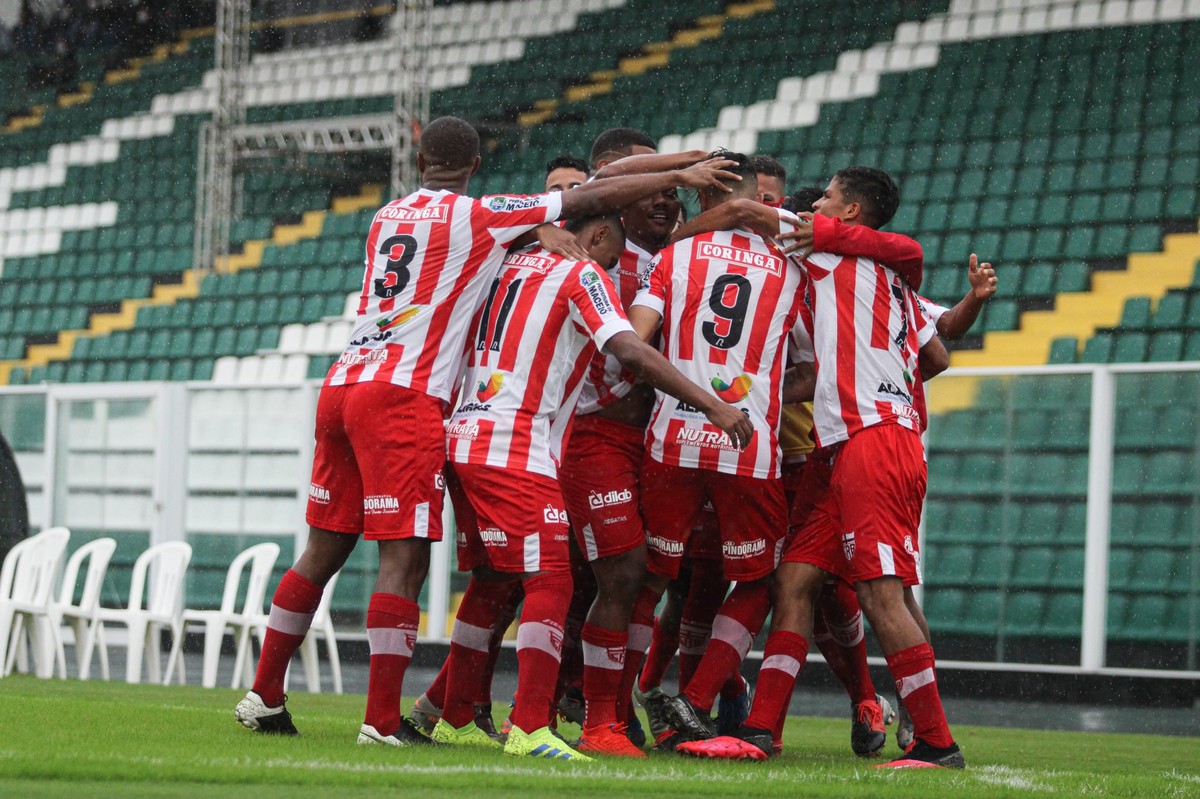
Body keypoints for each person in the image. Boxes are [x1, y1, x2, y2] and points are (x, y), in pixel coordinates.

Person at [233, 116, 744, 746]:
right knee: (407, 559)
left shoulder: (387, 216)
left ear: (421, 156)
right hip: (409, 396)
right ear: (475, 162)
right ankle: (383, 722)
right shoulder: (486, 217)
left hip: (344, 382)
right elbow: (587, 196)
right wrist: (677, 175)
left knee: (323, 549)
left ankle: (265, 693)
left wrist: (542, 228)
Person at [431, 214, 751, 761]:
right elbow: (630, 350)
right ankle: (531, 726)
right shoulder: (582, 272)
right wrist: (714, 403)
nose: (610, 271)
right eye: (610, 258)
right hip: (515, 440)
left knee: (490, 582)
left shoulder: (506, 262)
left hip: (465, 429)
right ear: (598, 239)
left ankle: (454, 716)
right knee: (551, 579)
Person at [679, 166, 965, 769]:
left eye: (828, 199)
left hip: (874, 442)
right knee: (796, 579)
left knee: (880, 592)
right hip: (837, 448)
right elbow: (927, 331)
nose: (813, 210)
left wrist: (679, 240)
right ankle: (759, 733)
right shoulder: (879, 270)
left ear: (849, 213)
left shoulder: (832, 255)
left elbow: (742, 214)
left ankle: (937, 743)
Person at [622, 151, 806, 751]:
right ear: (758, 200)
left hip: (672, 437)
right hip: (747, 448)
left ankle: (617, 708)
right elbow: (813, 362)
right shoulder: (789, 272)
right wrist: (768, 393)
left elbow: (635, 339)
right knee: (756, 580)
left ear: (708, 200)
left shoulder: (672, 257)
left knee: (650, 579)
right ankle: (694, 698)